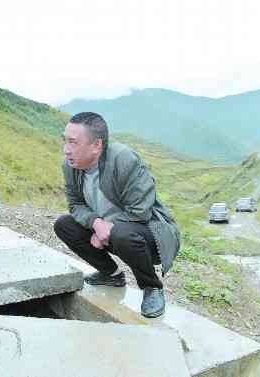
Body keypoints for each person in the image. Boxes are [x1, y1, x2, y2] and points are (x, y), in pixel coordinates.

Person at [53, 112, 180, 318]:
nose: (66, 150)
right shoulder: (70, 166)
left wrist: (107, 227)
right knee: (63, 225)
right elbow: (75, 204)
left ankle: (152, 287)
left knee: (120, 233)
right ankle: (111, 275)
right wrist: (95, 223)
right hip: (109, 230)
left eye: (73, 143)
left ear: (96, 145)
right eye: (65, 141)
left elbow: (140, 210)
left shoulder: (124, 160)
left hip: (147, 234)